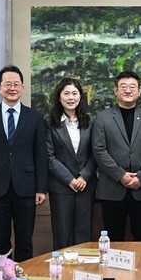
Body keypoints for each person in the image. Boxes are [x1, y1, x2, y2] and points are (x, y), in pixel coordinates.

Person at [0, 65, 48, 262]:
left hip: (26, 187)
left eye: (16, 84)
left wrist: (41, 188)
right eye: (7, 84)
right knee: (0, 240)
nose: (12, 88)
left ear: (22, 88)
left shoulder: (35, 117)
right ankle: (2, 277)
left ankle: (23, 277)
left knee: (25, 240)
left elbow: (40, 154)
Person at [92, 70, 141, 241]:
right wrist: (120, 175)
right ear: (116, 91)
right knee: (114, 239)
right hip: (112, 188)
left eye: (132, 87)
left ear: (139, 91)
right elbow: (99, 150)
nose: (128, 90)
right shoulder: (102, 118)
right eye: (123, 87)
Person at [46, 78, 97, 250]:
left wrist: (84, 176)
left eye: (74, 93)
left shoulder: (91, 122)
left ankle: (83, 266)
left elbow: (96, 153)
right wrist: (69, 179)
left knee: (83, 234)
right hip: (61, 187)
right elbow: (49, 156)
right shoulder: (50, 123)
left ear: (80, 97)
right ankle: (63, 267)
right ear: (59, 97)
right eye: (66, 93)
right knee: (62, 234)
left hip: (86, 186)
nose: (70, 98)